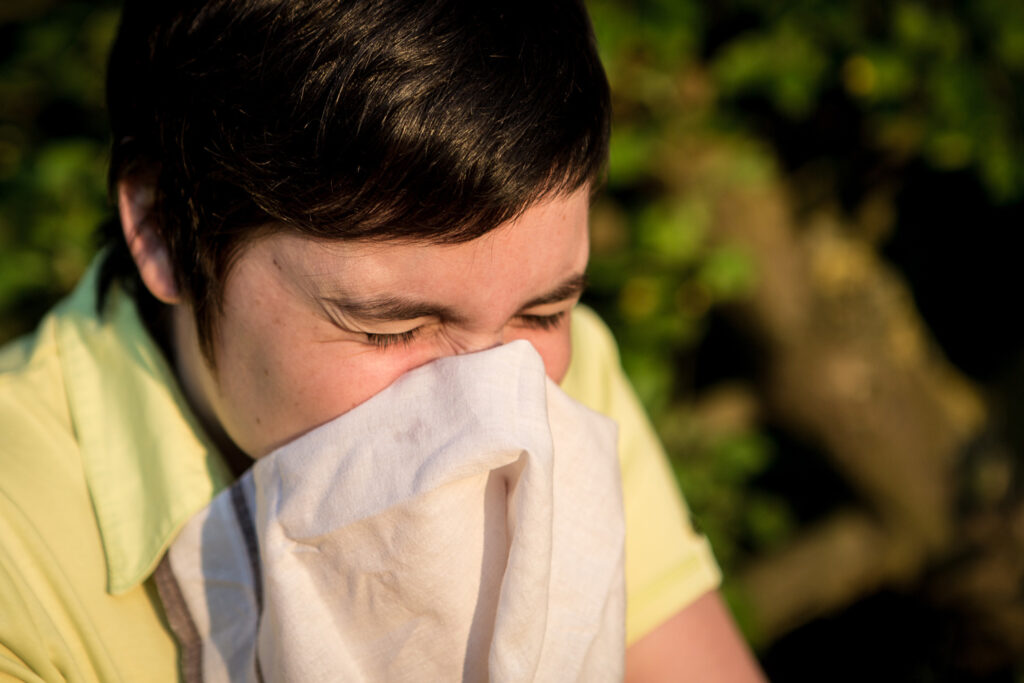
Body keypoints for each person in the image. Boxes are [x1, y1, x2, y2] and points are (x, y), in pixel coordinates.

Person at [0, 0, 766, 680]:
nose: (490, 408)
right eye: (390, 326)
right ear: (164, 228)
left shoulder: (566, 381)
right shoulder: (19, 559)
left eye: (542, 313)